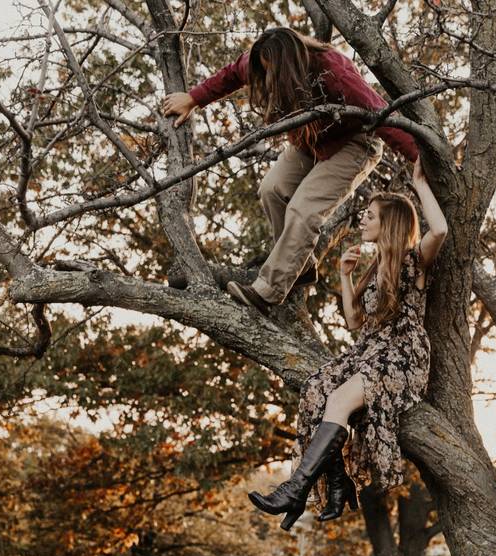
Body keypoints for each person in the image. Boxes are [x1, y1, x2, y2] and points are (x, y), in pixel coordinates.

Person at [247, 158, 447, 530]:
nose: (363, 220)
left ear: (389, 222)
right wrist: (344, 276)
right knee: (316, 389)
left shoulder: (413, 261)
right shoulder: (374, 268)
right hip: (368, 352)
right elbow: (355, 321)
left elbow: (440, 229)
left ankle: (296, 488)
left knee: (338, 399)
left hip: (400, 357)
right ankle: (338, 484)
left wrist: (420, 183)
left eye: (370, 215)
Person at [161, 27, 420, 315]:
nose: (268, 80)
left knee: (304, 209)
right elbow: (232, 73)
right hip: (311, 140)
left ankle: (268, 291)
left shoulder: (333, 72)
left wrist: (420, 159)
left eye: (274, 74)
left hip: (355, 142)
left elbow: (382, 116)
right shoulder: (260, 62)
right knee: (272, 189)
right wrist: (194, 98)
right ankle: (303, 266)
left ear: (292, 66)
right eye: (264, 73)